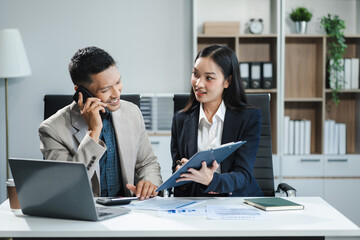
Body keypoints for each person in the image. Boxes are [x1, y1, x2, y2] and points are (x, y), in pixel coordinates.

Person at [39, 46, 162, 200]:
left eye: (118, 82)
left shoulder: (132, 112)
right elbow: (66, 187)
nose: (117, 93)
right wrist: (93, 132)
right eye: (105, 90)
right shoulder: (52, 130)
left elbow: (147, 163)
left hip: (129, 209)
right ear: (81, 92)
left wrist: (149, 182)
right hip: (84, 213)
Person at [171, 45, 263, 197]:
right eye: (195, 74)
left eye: (209, 78)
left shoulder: (249, 118)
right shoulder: (181, 120)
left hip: (237, 201)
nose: (198, 84)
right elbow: (177, 170)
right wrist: (180, 171)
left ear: (227, 81)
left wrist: (212, 181)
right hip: (196, 202)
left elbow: (243, 175)